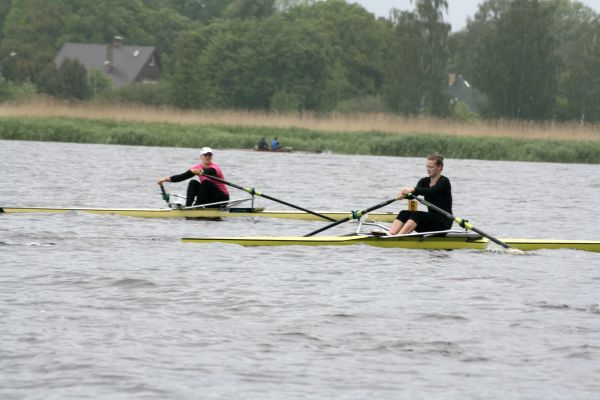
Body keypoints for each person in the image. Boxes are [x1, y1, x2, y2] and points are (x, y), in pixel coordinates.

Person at [389, 154, 453, 235]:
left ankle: (399, 237)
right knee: (404, 213)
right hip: (431, 220)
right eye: (427, 167)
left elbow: (432, 191)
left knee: (417, 215)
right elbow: (413, 195)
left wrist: (413, 189)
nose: (428, 169)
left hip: (443, 223)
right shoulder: (424, 181)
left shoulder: (444, 181)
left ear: (439, 167)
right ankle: (390, 234)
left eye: (431, 167)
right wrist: (404, 195)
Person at [157, 147, 229, 208]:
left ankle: (197, 206)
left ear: (212, 157)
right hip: (209, 197)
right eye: (205, 155)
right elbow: (182, 177)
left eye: (210, 155)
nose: (208, 157)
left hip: (221, 198)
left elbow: (210, 171)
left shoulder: (215, 168)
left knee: (205, 183)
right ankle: (188, 207)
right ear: (201, 156)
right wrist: (165, 179)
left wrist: (201, 171)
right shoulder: (197, 168)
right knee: (193, 182)